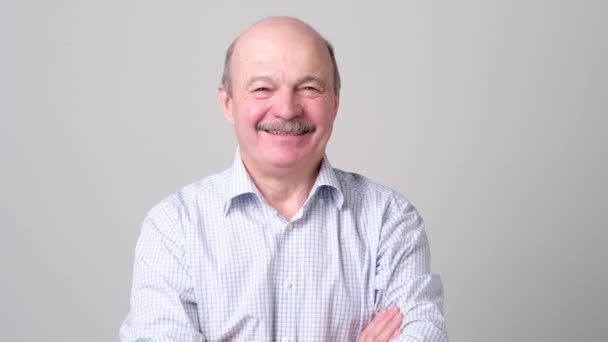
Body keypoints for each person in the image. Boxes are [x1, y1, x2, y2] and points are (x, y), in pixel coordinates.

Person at [120, 16, 448, 341]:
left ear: (335, 101)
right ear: (227, 103)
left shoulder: (389, 220)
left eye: (309, 88)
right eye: (262, 88)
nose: (287, 109)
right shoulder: (173, 227)